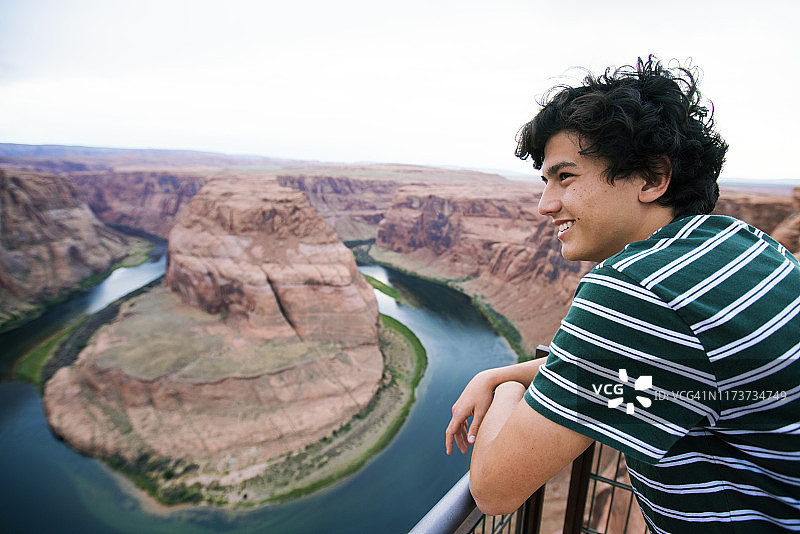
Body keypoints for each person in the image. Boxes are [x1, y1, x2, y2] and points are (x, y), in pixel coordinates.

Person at [445, 56, 800, 532]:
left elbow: (493, 489)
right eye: (545, 181)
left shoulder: (638, 289)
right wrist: (507, 369)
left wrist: (507, 388)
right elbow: (675, 372)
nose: (545, 205)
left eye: (565, 177)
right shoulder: (745, 246)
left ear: (653, 178)